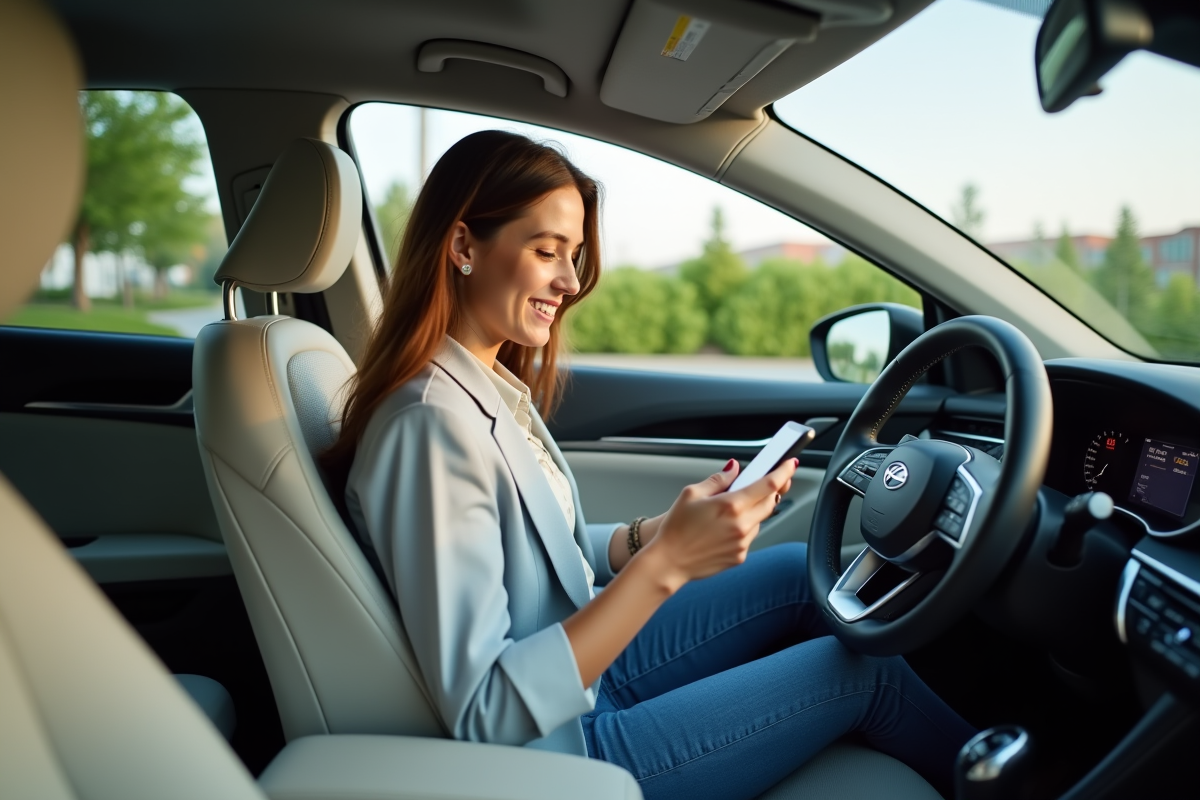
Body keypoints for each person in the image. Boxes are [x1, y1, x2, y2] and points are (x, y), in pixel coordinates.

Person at [322, 130, 975, 800]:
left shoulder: (481, 388)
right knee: (858, 673)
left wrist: (652, 535)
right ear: (463, 246)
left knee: (791, 574)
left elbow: (536, 550)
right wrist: (668, 568)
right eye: (546, 251)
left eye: (573, 256)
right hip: (563, 751)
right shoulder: (430, 428)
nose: (571, 282)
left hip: (577, 668)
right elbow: (489, 712)